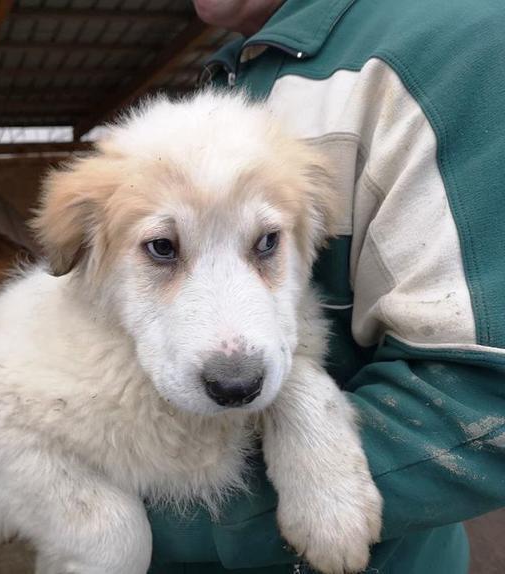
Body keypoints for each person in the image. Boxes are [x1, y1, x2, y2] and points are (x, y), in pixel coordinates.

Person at [147, 0, 505, 572]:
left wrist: (154, 517)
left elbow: (486, 397)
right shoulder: (230, 74)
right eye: (164, 249)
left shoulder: (455, 40)